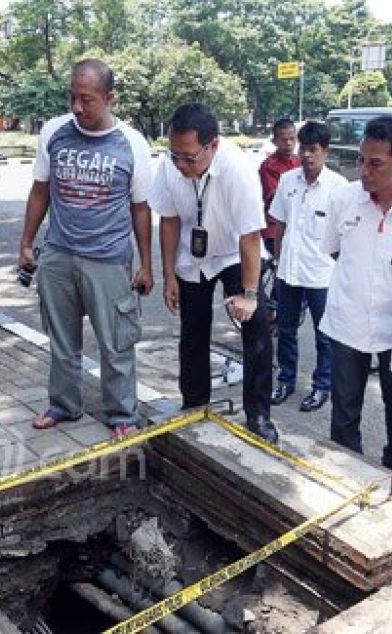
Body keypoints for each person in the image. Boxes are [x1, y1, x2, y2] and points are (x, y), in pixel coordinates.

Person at [18, 59, 154, 438]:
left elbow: (141, 209)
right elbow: (40, 191)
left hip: (109, 260)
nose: (77, 107)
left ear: (109, 98)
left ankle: (122, 413)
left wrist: (146, 265)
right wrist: (26, 243)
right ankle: (63, 404)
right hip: (59, 254)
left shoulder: (132, 143)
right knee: (62, 340)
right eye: (72, 97)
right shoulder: (54, 132)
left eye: (88, 99)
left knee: (116, 343)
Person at [152, 103, 277, 444]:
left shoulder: (236, 169)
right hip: (193, 257)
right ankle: (194, 404)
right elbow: (170, 219)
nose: (180, 165)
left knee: (257, 330)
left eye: (189, 158)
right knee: (192, 331)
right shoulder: (169, 167)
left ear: (212, 146)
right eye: (174, 155)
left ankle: (259, 414)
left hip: (236, 253)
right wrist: (170, 276)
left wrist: (250, 295)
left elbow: (250, 235)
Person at [321, 115, 392, 469]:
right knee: (344, 412)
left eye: (376, 163)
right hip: (347, 322)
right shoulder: (343, 200)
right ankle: (347, 477)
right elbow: (335, 250)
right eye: (360, 160)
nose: (364, 171)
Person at [268, 121, 346, 412]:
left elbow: (344, 235)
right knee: (285, 329)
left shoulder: (338, 188)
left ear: (325, 151)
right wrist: (277, 263)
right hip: (289, 270)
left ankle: (322, 386)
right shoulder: (288, 181)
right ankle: (286, 379)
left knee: (324, 335)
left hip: (322, 275)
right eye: (304, 149)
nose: (307, 156)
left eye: (314, 150)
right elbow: (280, 225)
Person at [259, 118, 300, 254]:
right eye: (284, 140)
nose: (288, 143)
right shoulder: (268, 166)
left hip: (297, 226)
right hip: (274, 229)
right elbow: (275, 197)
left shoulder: (300, 161)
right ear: (275, 141)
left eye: (292, 139)